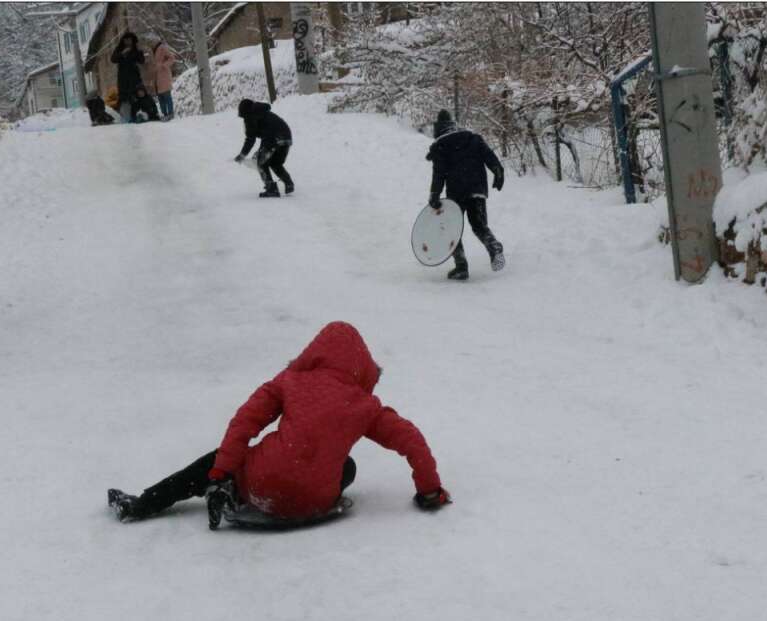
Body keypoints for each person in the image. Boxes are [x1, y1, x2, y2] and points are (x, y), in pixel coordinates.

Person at [107, 321, 451, 528]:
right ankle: (300, 492)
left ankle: (144, 504)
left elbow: (245, 423)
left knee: (214, 462)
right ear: (361, 366)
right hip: (318, 499)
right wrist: (430, 491)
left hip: (261, 483)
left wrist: (220, 473)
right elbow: (411, 440)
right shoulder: (366, 405)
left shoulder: (289, 381)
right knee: (345, 466)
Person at [426, 108, 506, 280]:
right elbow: (489, 156)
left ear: (438, 129)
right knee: (479, 225)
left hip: (457, 193)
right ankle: (494, 247)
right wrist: (498, 171)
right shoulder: (472, 138)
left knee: (451, 229)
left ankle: (461, 266)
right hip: (477, 189)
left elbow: (439, 173)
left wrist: (434, 194)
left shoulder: (441, 145)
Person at [234, 98, 293, 198]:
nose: (244, 119)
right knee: (275, 163)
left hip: (273, 139)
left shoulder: (250, 116)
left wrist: (242, 155)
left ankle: (271, 189)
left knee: (261, 163)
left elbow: (250, 139)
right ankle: (289, 184)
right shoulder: (263, 112)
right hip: (286, 137)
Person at [110, 32, 145, 123]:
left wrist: (140, 52)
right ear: (123, 40)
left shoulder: (135, 49)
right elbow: (113, 59)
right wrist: (122, 53)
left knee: (136, 98)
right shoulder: (119, 48)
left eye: (130, 40)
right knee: (125, 99)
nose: (128, 42)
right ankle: (127, 118)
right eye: (126, 40)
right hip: (123, 79)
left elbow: (141, 61)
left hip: (134, 78)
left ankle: (138, 116)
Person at [146, 33, 176, 121]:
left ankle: (170, 113)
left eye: (150, 42)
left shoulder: (162, 47)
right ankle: (164, 114)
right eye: (149, 42)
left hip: (164, 74)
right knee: (160, 97)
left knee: (166, 95)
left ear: (154, 41)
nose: (150, 44)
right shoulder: (151, 51)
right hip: (156, 77)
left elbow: (172, 58)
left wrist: (164, 65)